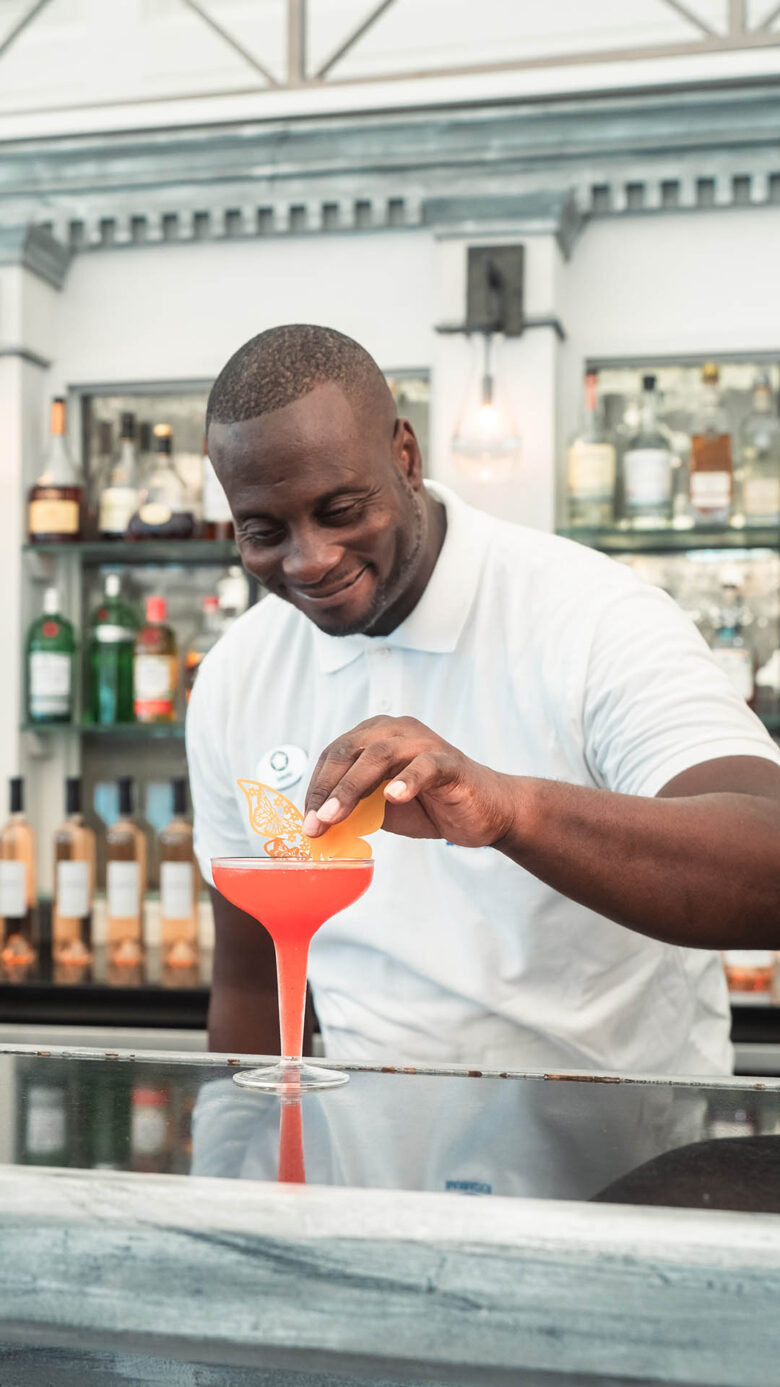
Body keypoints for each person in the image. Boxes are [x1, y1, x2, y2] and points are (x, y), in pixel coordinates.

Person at [187, 324, 780, 1076]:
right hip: (375, 1153)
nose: (309, 559)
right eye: (264, 531)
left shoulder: (592, 613)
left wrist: (509, 810)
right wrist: (243, 1165)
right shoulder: (237, 673)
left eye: (339, 510)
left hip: (620, 1145)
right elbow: (247, 976)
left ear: (405, 455)